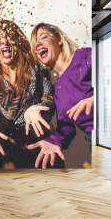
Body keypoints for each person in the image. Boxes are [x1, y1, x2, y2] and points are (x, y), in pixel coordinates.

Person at [0, 19, 59, 169]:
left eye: (10, 36)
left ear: (18, 41)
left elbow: (49, 99)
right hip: (7, 153)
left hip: (41, 147)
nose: (4, 41)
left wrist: (39, 109)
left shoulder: (38, 69)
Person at [29, 23, 94, 168]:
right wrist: (52, 141)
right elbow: (66, 127)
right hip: (93, 140)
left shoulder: (86, 56)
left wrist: (95, 98)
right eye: (34, 44)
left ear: (59, 38)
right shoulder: (56, 87)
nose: (38, 44)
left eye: (43, 37)